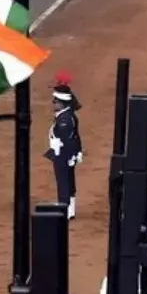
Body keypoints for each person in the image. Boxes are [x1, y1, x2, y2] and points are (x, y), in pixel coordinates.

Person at [45, 72, 84, 218]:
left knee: (63, 182)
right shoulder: (68, 115)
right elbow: (75, 136)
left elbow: (68, 139)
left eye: (55, 101)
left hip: (62, 153)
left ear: (62, 102)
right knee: (69, 182)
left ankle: (64, 208)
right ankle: (70, 209)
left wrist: (71, 154)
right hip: (65, 152)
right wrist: (77, 152)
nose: (53, 103)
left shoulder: (64, 119)